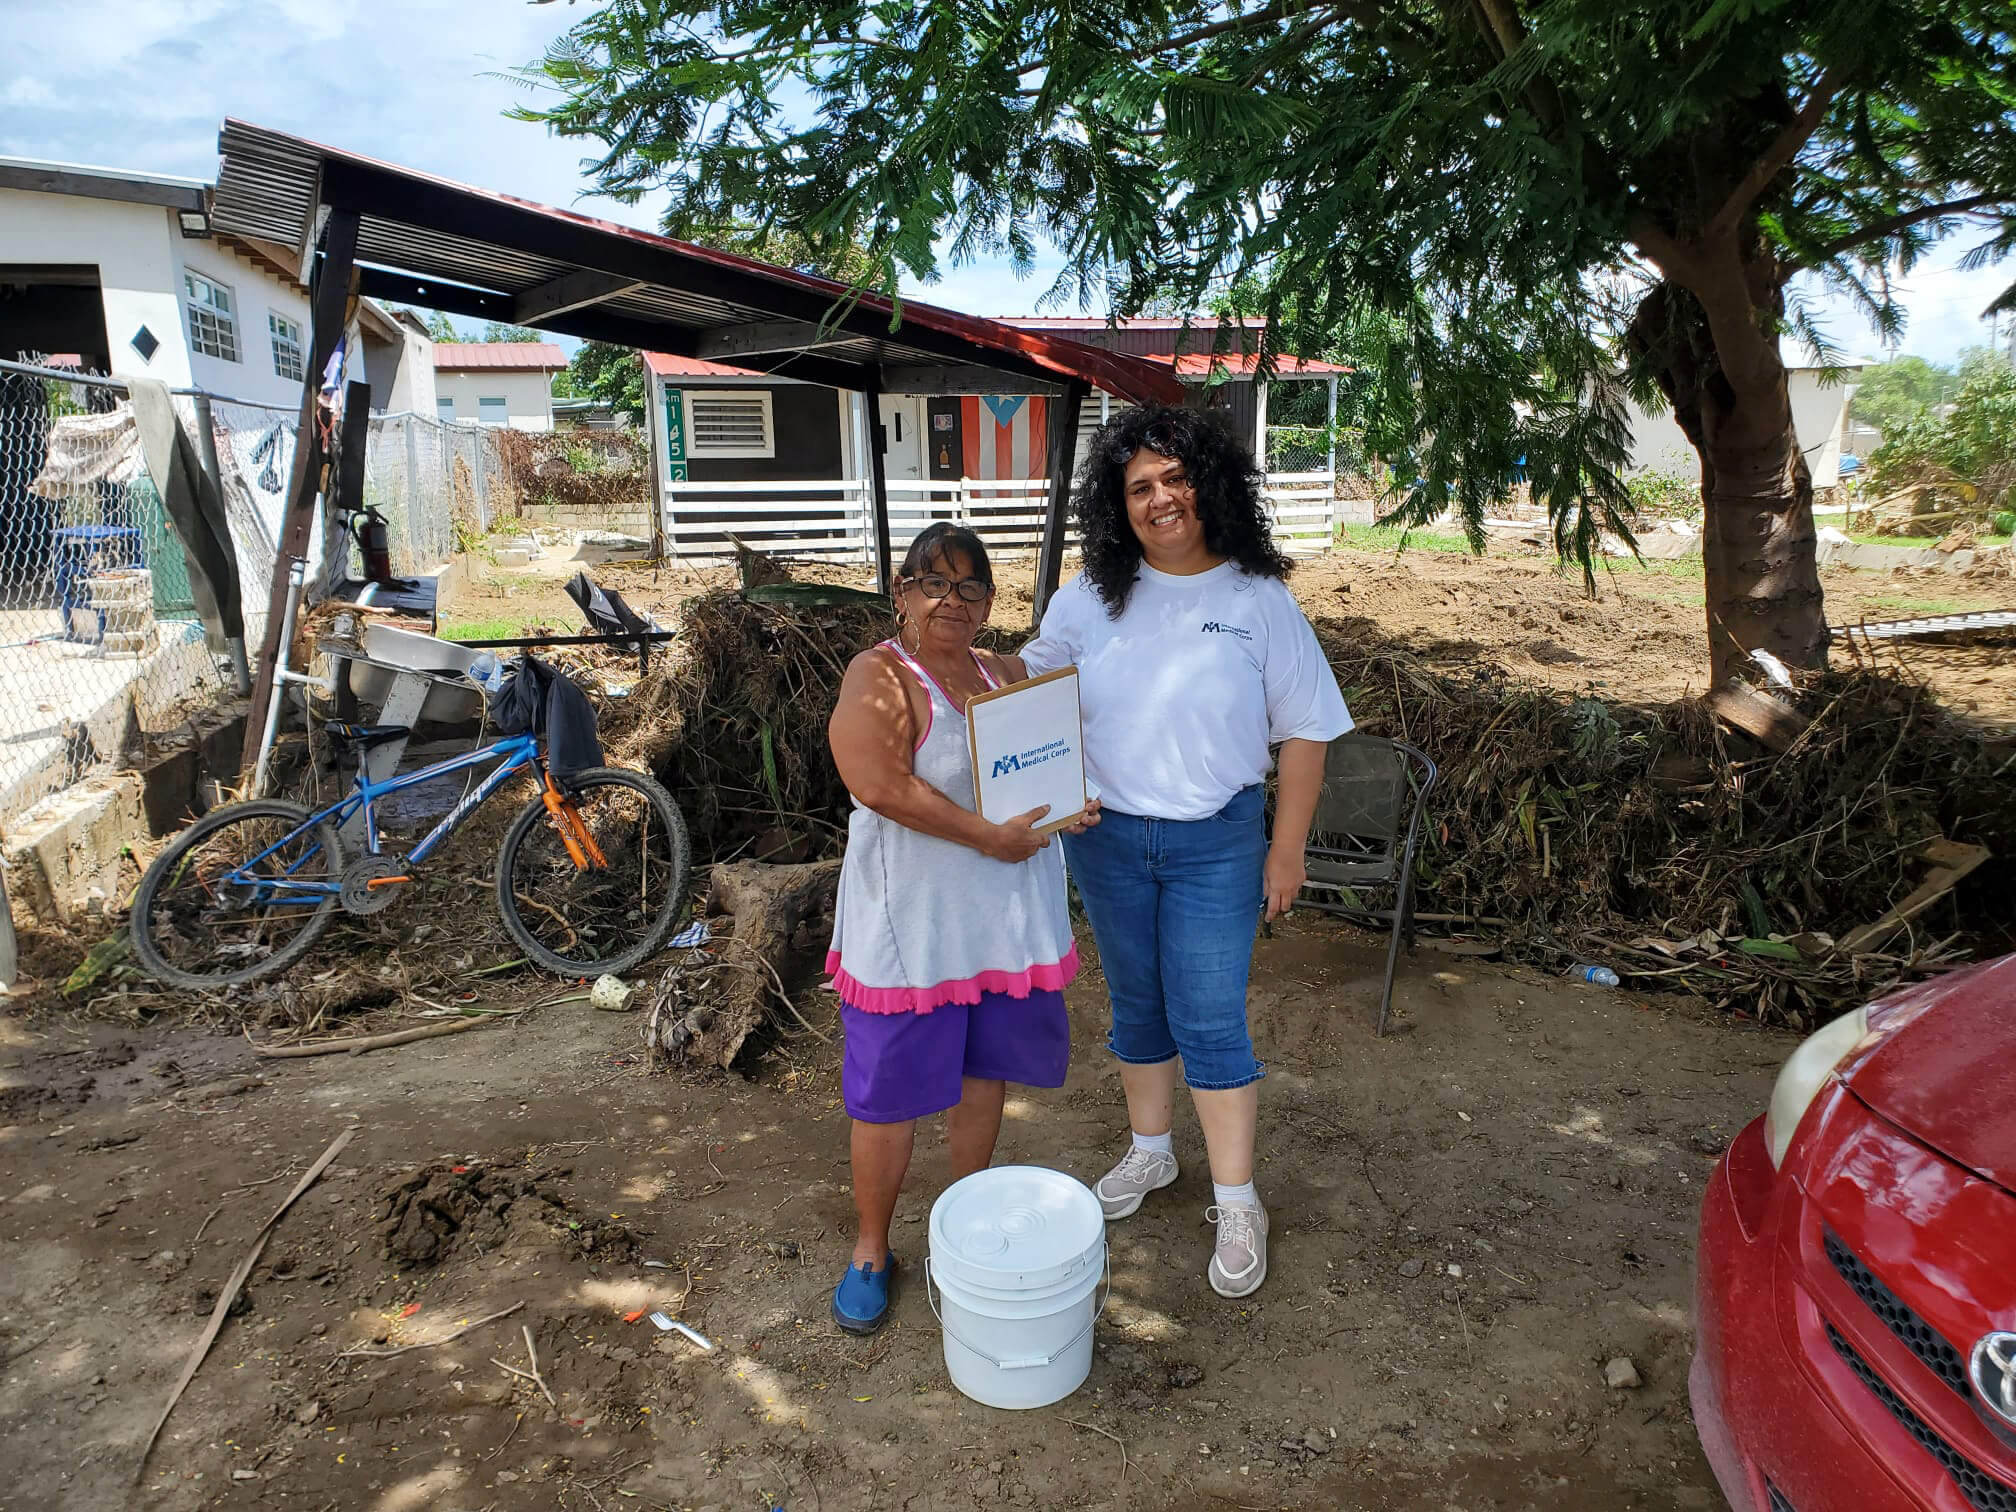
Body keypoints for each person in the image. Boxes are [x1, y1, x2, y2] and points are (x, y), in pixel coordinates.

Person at [1011, 403, 1352, 1299]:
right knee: (1136, 1006)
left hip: (1218, 843)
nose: (1161, 499)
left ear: (1210, 485)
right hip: (1108, 840)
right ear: (1116, 507)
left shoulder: (1257, 598)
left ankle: (1238, 1200)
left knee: (1209, 1018)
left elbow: (1308, 734)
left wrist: (1287, 852)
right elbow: (1031, 692)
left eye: (1175, 478)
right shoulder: (1087, 598)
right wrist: (1043, 784)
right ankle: (1153, 1154)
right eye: (1139, 488)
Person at [824, 522, 1098, 1334]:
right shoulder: (880, 674)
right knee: (887, 1095)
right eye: (931, 583)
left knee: (985, 1075)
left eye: (969, 586)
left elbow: (1042, 765)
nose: (950, 599)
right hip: (913, 925)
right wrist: (990, 835)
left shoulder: (1003, 673)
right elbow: (877, 783)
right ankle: (871, 1248)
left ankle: (963, 1225)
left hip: (1000, 923)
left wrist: (1065, 805)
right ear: (902, 595)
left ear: (987, 605)